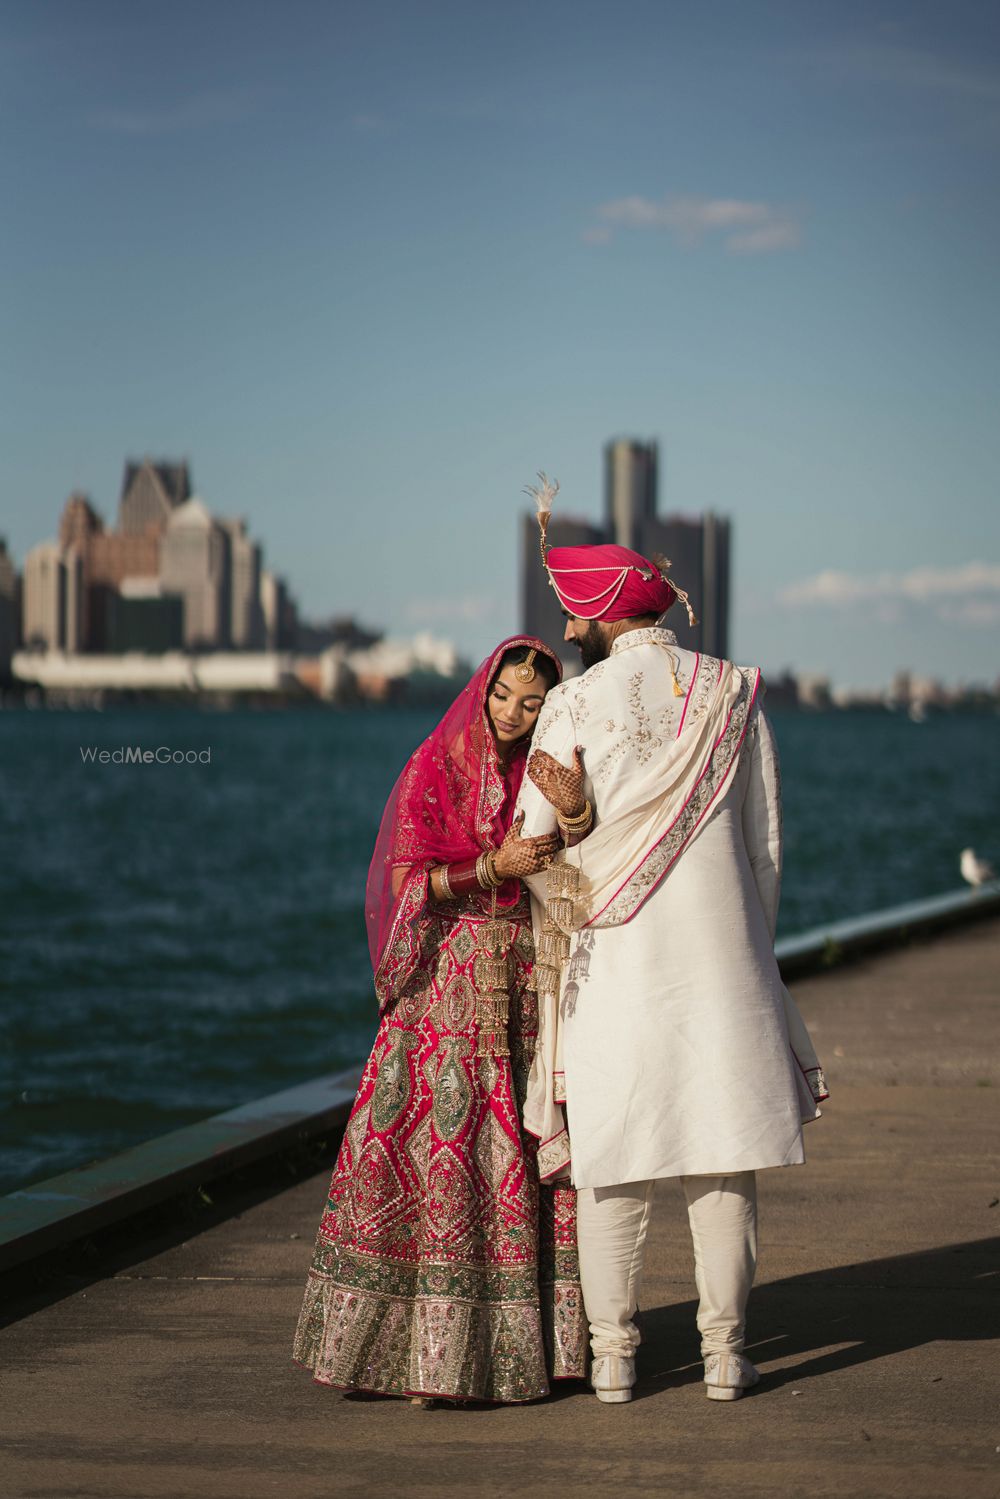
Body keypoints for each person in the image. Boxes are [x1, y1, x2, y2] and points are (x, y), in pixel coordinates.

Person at [514, 534, 828, 1406]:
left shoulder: (573, 704)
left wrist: (570, 922)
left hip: (610, 958)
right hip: (721, 958)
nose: (571, 625)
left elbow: (534, 847)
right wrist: (747, 952)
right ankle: (726, 1356)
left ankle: (614, 1359)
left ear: (605, 610)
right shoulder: (733, 690)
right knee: (722, 1156)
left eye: (576, 610)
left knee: (612, 1159)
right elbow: (765, 850)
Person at [293, 637, 588, 1404]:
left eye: (531, 703)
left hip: (522, 976)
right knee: (444, 1142)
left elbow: (587, 859)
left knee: (520, 1140)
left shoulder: (547, 767)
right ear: (483, 687)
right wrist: (491, 867)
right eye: (504, 696)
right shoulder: (439, 763)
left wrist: (576, 809)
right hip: (448, 982)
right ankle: (420, 1355)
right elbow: (404, 874)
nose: (514, 714)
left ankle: (528, 1349)